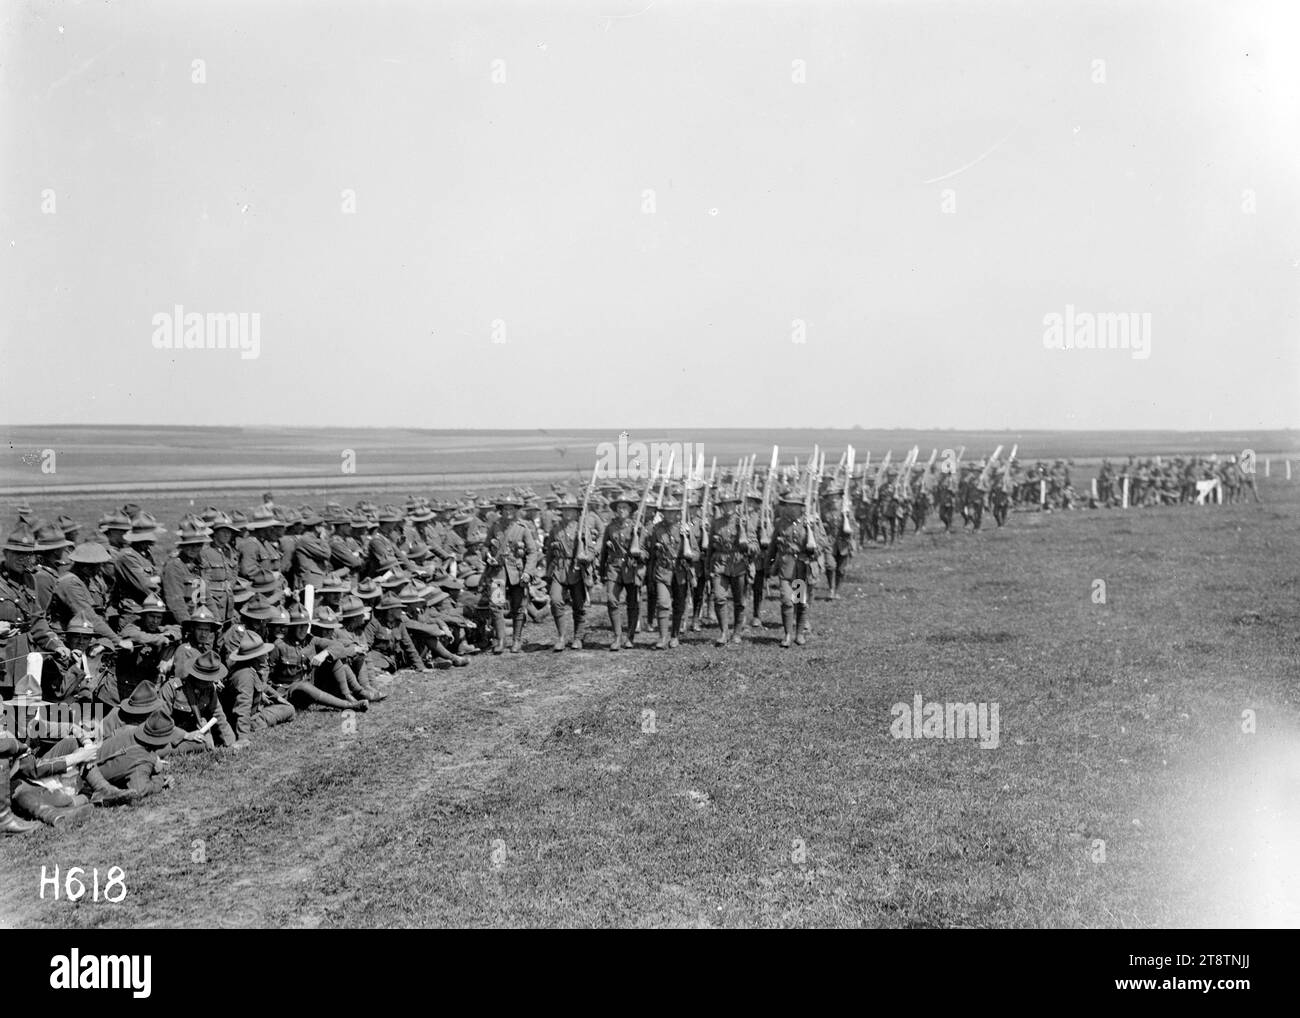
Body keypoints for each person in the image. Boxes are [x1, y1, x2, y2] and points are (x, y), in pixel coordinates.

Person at [483, 493, 540, 654]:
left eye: (511, 508)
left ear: (516, 510)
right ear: (500, 510)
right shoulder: (495, 527)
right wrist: (487, 556)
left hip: (517, 573)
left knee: (519, 607)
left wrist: (528, 572)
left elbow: (532, 552)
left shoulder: (522, 528)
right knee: (495, 605)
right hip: (498, 572)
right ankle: (501, 640)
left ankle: (516, 640)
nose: (508, 511)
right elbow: (485, 546)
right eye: (505, 508)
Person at [765, 492, 819, 648]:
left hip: (800, 568)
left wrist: (810, 531)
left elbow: (815, 550)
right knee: (787, 601)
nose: (792, 509)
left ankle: (799, 634)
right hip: (785, 568)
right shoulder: (780, 524)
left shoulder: (808, 524)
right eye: (789, 505)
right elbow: (773, 546)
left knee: (800, 602)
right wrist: (768, 566)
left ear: (801, 508)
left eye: (795, 506)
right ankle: (787, 634)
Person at [544, 494, 597, 651]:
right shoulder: (555, 530)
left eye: (571, 510)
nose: (568, 513)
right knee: (555, 600)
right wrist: (548, 573)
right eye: (565, 510)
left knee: (579, 605)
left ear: (576, 512)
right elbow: (549, 553)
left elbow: (592, 550)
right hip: (559, 568)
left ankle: (578, 638)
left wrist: (586, 557)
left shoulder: (582, 530)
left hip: (577, 570)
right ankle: (561, 637)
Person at [593, 489, 643, 651]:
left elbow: (646, 551)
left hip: (631, 567)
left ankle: (630, 636)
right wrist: (601, 573)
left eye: (625, 507)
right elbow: (604, 553)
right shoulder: (610, 528)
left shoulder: (637, 528)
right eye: (619, 507)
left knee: (632, 603)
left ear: (630, 510)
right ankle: (617, 636)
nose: (621, 510)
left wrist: (639, 553)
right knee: (611, 600)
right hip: (613, 567)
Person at [223, 631, 295, 740]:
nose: (266, 656)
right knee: (289, 710)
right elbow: (243, 707)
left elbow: (262, 685)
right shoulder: (245, 675)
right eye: (263, 653)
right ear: (254, 657)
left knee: (288, 708)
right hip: (251, 720)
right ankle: (257, 725)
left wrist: (277, 696)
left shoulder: (250, 670)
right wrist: (243, 737)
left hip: (254, 714)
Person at [648, 495, 699, 649]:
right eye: (667, 512)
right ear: (663, 513)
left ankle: (675, 635)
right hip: (662, 571)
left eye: (673, 512)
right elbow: (650, 554)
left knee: (679, 604)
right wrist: (650, 576)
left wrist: (687, 544)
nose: (670, 515)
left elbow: (696, 553)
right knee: (663, 603)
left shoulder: (685, 529)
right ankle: (662, 637)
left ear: (678, 513)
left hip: (680, 572)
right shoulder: (656, 529)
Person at [707, 489, 752, 645]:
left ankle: (737, 632)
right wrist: (708, 568)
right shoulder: (716, 523)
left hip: (738, 564)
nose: (728, 508)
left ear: (735, 505)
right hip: (720, 564)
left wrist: (745, 542)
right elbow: (710, 550)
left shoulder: (743, 522)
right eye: (725, 505)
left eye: (730, 504)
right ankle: (723, 632)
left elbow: (755, 546)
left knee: (740, 601)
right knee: (719, 598)